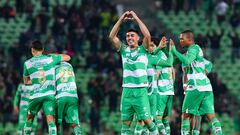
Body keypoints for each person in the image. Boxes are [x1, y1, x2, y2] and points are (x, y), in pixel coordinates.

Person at [109, 11, 159, 135]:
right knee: (125, 124)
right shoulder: (124, 50)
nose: (129, 38)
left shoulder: (143, 49)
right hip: (126, 91)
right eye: (127, 36)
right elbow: (111, 37)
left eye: (132, 35)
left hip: (140, 91)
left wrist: (136, 18)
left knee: (148, 121)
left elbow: (147, 36)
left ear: (137, 38)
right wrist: (121, 18)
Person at [171, 30, 222, 135]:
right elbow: (208, 63)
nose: (180, 41)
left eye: (182, 38)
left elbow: (186, 61)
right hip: (206, 88)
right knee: (209, 116)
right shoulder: (191, 52)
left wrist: (174, 50)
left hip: (195, 87)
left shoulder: (193, 49)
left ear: (189, 39)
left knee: (185, 115)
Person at [23, 40, 71, 135]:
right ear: (43, 49)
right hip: (49, 95)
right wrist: (53, 56)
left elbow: (26, 82)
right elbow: (68, 57)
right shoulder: (50, 58)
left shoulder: (27, 63)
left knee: (29, 118)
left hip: (35, 95)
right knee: (51, 120)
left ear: (32, 50)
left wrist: (36, 79)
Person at [55, 61, 81, 135]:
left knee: (56, 122)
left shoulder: (54, 67)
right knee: (75, 123)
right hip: (73, 96)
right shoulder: (70, 66)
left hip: (61, 96)